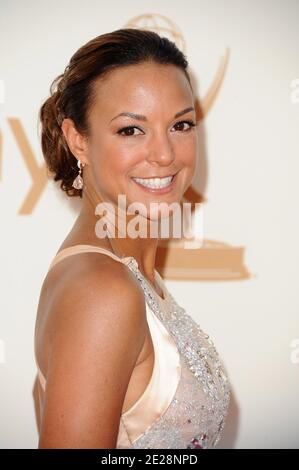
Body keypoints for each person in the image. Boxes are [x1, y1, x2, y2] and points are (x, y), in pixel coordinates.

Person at [34, 28, 230, 449]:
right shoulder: (102, 290)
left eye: (180, 124)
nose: (164, 155)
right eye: (131, 130)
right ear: (77, 140)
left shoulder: (124, 274)